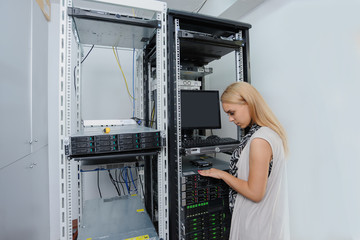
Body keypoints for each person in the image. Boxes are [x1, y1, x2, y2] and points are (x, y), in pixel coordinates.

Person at [198, 82, 290, 240]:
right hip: (259, 223)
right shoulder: (265, 133)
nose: (230, 119)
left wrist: (222, 175)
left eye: (232, 112)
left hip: (256, 228)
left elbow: (255, 193)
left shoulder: (260, 140)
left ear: (248, 103)